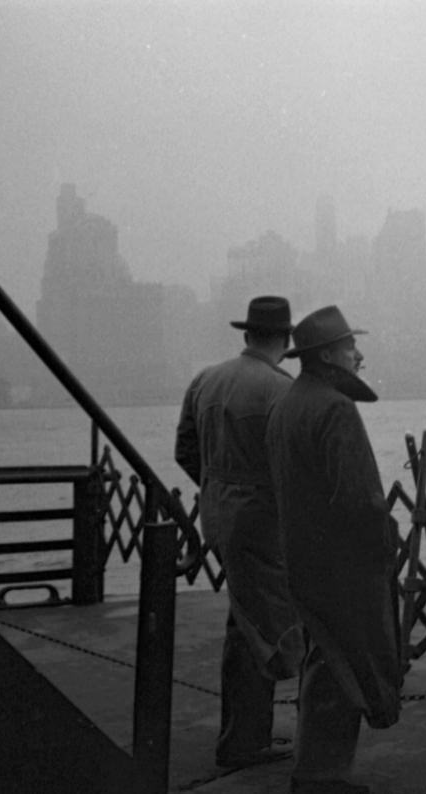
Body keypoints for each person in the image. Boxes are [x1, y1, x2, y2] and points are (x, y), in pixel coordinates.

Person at [266, 305, 401, 794]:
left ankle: (315, 766)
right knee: (344, 664)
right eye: (350, 347)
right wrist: (387, 542)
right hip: (342, 565)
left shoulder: (288, 404)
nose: (358, 356)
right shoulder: (335, 409)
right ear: (328, 354)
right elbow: (361, 500)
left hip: (302, 555)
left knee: (321, 658)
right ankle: (321, 774)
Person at [174, 295, 304, 769]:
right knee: (267, 630)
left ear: (246, 334)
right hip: (263, 522)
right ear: (286, 342)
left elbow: (184, 450)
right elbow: (294, 467)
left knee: (244, 621)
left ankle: (242, 734)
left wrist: (217, 486)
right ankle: (246, 741)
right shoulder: (280, 390)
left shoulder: (205, 380)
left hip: (218, 517)